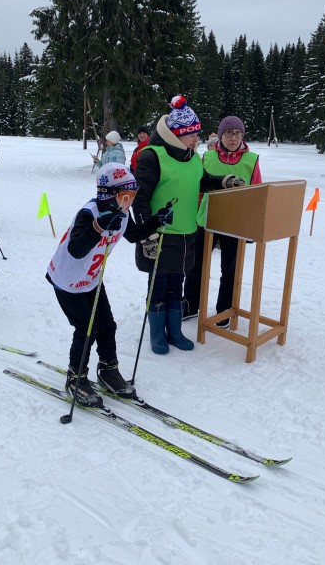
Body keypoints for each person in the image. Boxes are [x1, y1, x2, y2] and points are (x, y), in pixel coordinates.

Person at [46, 162, 174, 406]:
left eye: (133, 194)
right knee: (86, 329)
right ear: (109, 193)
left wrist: (157, 221)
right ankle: (76, 378)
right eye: (126, 195)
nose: (130, 200)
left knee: (107, 326)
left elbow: (134, 235)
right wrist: (98, 227)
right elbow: (76, 249)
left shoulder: (122, 213)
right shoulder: (90, 213)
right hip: (67, 280)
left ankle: (108, 370)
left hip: (92, 278)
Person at [132, 96, 245, 355]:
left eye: (196, 134)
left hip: (186, 234)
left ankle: (174, 331)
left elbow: (201, 181)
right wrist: (145, 233)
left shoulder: (193, 158)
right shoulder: (153, 156)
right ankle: (157, 334)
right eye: (192, 134)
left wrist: (223, 180)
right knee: (158, 286)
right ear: (176, 134)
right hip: (159, 236)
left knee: (177, 285)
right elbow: (139, 198)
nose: (197, 139)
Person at [183, 115, 262, 328]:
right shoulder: (207, 157)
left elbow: (257, 196)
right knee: (194, 265)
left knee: (229, 270)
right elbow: (198, 190)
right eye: (228, 133)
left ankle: (224, 311)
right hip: (205, 220)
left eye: (237, 133)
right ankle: (190, 305)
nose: (233, 138)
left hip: (234, 225)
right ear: (220, 136)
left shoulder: (252, 160)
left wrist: (252, 227)